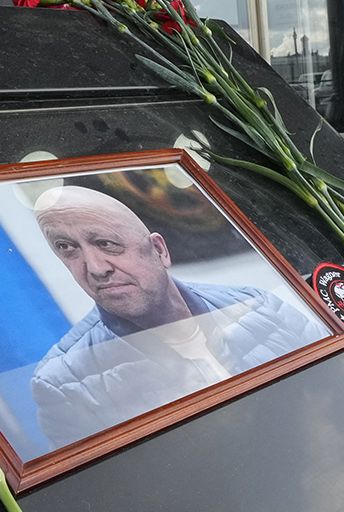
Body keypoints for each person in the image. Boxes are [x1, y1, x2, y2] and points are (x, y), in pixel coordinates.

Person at [29, 185, 326, 448]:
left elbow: (334, 400)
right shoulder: (63, 383)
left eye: (107, 243)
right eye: (67, 249)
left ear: (159, 250)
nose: (95, 268)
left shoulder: (259, 305)